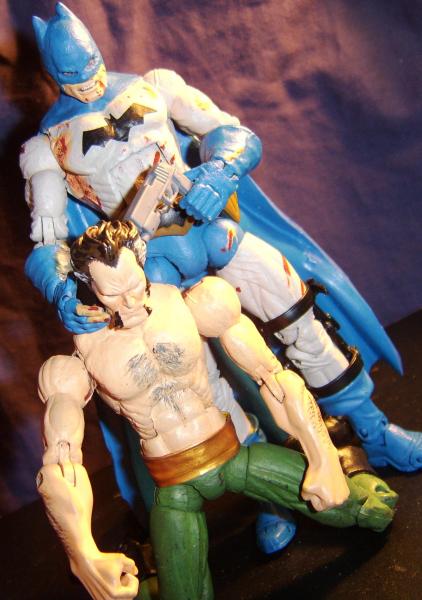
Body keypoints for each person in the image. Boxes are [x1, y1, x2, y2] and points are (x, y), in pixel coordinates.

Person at [37, 220, 394, 600]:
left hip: (233, 452)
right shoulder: (84, 353)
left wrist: (322, 456)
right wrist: (83, 554)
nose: (129, 302)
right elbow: (61, 460)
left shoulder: (190, 303)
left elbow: (272, 377)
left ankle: (357, 487)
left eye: (134, 285)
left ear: (141, 261)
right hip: (172, 485)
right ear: (88, 285)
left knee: (364, 507)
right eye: (112, 293)